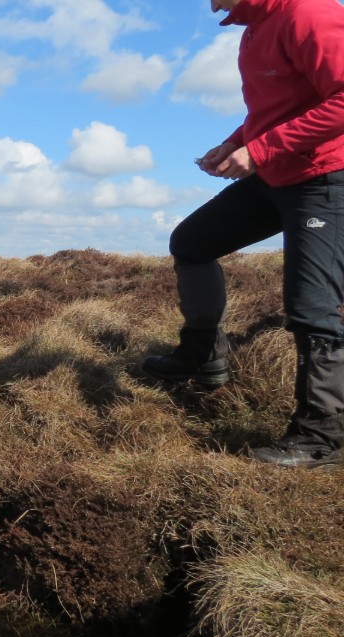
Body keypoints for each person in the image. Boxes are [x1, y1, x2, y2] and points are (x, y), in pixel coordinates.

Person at [142, 0, 344, 469]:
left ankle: (322, 437)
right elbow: (282, 106)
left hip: (324, 177)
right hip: (275, 174)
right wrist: (237, 141)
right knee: (192, 243)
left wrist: (262, 149)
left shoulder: (308, 13)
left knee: (312, 307)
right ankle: (202, 356)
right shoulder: (254, 28)